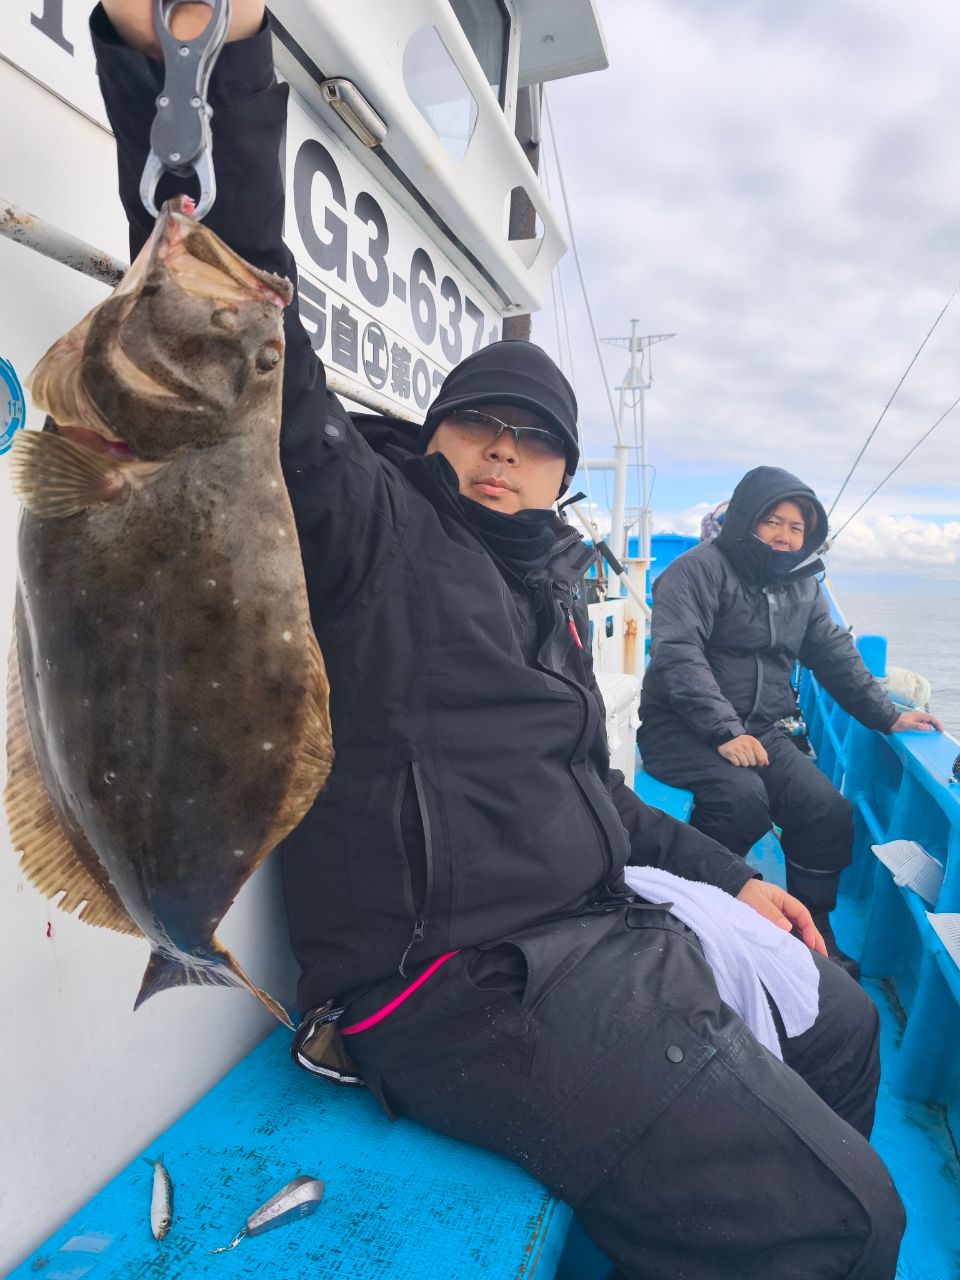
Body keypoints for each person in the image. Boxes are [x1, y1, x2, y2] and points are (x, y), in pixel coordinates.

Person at [92, 6, 906, 1276]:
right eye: (479, 427)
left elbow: (603, 801)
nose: (501, 455)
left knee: (846, 1022)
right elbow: (250, 344)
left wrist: (734, 875)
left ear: (562, 476)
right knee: (856, 1220)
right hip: (454, 982)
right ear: (435, 436)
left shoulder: (553, 595)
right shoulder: (371, 530)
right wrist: (201, 64)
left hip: (595, 921)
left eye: (533, 445)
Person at [639, 467, 942, 976]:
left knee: (826, 811)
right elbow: (678, 652)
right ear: (745, 521)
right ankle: (706, 914)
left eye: (796, 527)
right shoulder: (695, 571)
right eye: (772, 521)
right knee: (740, 800)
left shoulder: (802, 584)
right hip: (681, 728)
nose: (784, 535)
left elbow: (834, 655)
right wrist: (724, 730)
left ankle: (813, 927)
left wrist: (887, 715)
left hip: (760, 729)